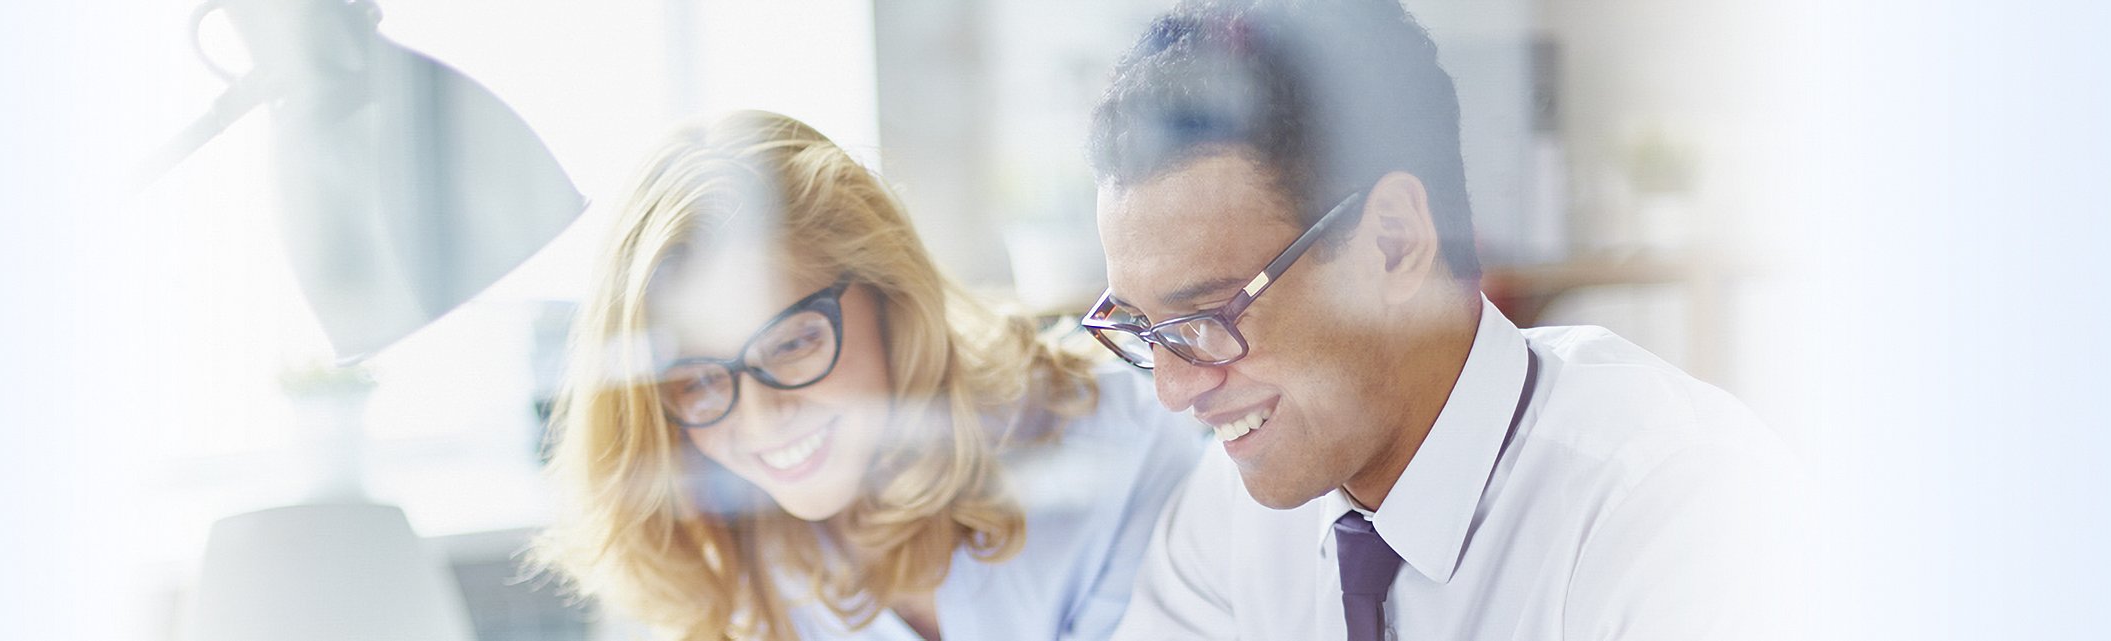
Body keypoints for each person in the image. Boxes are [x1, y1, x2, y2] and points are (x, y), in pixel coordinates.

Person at [1081, 1, 1805, 639]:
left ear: (1395, 243)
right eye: (1143, 327)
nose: (1172, 390)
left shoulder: (1676, 510)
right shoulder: (1230, 513)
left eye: (1205, 315)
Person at [531, 111, 1202, 641]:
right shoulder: (715, 567)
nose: (762, 417)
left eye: (794, 342)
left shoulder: (1128, 447)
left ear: (889, 298)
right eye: (699, 381)